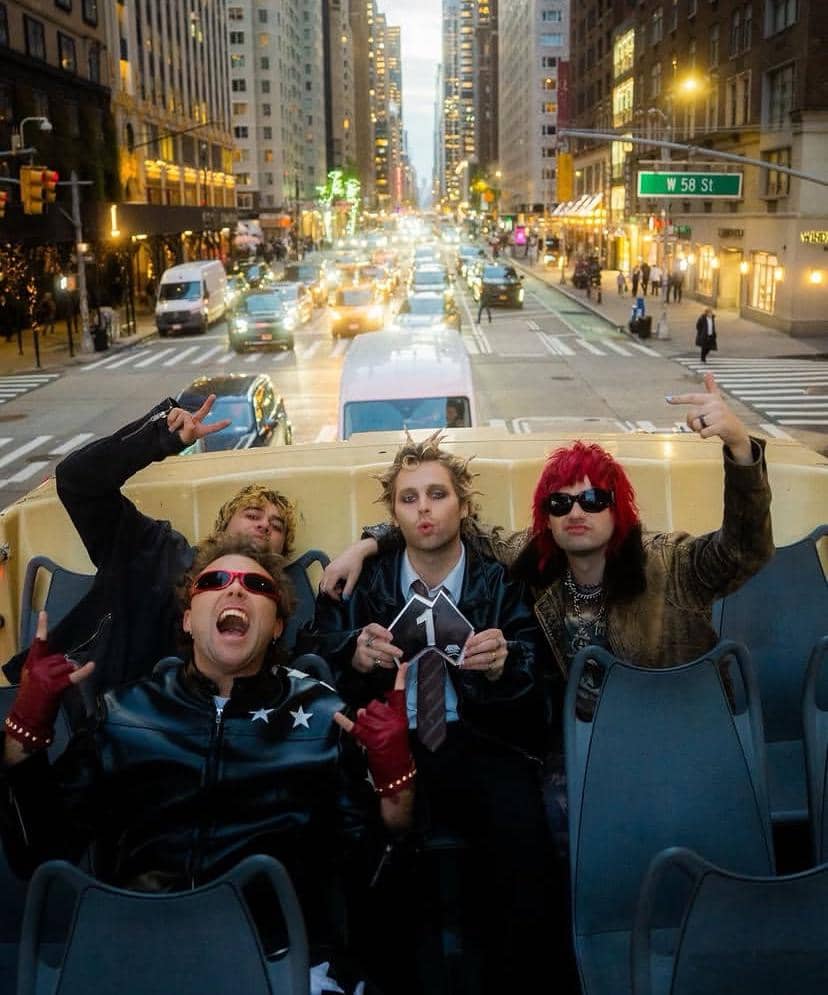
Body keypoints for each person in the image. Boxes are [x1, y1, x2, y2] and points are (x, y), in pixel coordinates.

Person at [321, 375, 773, 857]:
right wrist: (367, 545)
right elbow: (437, 527)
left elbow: (744, 550)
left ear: (619, 509)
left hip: (673, 736)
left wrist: (740, 448)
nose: (577, 511)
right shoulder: (534, 561)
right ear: (547, 517)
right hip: (580, 748)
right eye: (561, 502)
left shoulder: (671, 563)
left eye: (594, 499)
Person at [1, 533, 414, 993]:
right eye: (216, 580)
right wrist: (25, 733)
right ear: (189, 619)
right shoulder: (124, 713)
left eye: (257, 587)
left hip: (275, 953)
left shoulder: (323, 718)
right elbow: (37, 852)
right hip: (141, 946)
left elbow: (371, 879)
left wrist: (394, 783)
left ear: (277, 625)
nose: (236, 590)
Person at [305, 433, 570, 995]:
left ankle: (523, 978)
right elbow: (311, 649)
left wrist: (502, 667)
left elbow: (536, 676)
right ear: (393, 515)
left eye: (436, 494)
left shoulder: (498, 581)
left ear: (462, 505)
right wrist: (352, 648)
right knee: (353, 837)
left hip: (476, 737)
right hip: (387, 739)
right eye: (408, 499)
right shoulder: (366, 580)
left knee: (522, 843)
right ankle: (363, 973)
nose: (423, 508)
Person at [0, 397, 354, 704]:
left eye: (277, 527)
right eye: (252, 515)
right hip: (117, 718)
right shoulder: (154, 550)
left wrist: (371, 543)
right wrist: (158, 438)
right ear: (222, 529)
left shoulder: (288, 608)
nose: (264, 526)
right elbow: (77, 481)